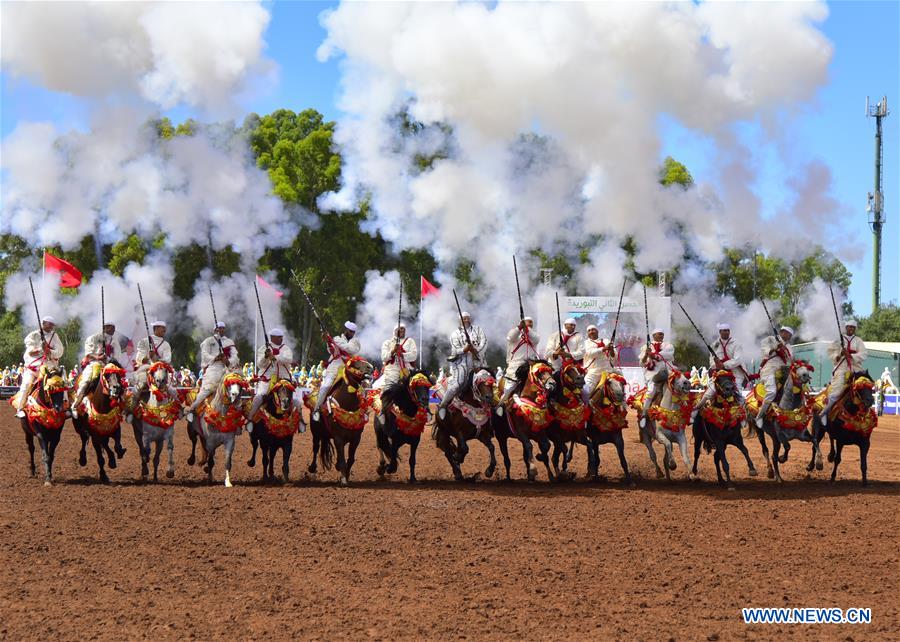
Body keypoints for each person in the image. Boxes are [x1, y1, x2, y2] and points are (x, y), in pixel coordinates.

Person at [184, 322, 240, 419]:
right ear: (215, 330)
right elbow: (204, 354)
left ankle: (237, 416)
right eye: (219, 328)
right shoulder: (209, 341)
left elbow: (235, 356)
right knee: (208, 389)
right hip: (213, 368)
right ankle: (192, 408)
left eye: (223, 328)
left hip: (227, 369)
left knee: (235, 388)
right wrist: (216, 358)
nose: (221, 330)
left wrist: (228, 361)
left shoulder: (229, 342)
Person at [437, 312, 487, 420]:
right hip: (461, 364)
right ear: (460, 321)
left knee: (488, 383)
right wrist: (465, 349)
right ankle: (443, 405)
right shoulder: (454, 334)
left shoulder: (478, 330)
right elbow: (455, 349)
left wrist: (475, 350)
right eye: (464, 319)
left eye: (468, 318)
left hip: (479, 363)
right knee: (456, 385)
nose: (466, 320)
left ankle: (495, 408)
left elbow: (484, 342)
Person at [72, 321, 125, 417]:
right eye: (110, 327)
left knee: (121, 381)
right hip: (95, 363)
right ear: (105, 327)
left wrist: (108, 359)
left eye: (114, 327)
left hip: (109, 365)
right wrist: (98, 357)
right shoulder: (93, 338)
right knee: (86, 379)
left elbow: (117, 356)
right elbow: (88, 353)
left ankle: (124, 405)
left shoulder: (115, 341)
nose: (113, 329)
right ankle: (77, 402)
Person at [15, 316, 64, 418]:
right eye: (49, 324)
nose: (51, 327)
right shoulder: (33, 335)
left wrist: (50, 351)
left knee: (61, 382)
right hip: (34, 366)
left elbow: (60, 351)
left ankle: (64, 406)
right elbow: (31, 353)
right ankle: (20, 408)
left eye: (52, 325)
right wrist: (41, 349)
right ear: (43, 323)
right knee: (27, 384)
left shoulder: (55, 336)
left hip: (50, 366)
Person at [821, 319, 868, 425]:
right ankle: (824, 412)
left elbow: (864, 354)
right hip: (841, 368)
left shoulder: (859, 340)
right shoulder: (838, 340)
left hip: (856, 369)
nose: (851, 329)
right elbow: (830, 353)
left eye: (853, 327)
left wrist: (851, 355)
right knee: (837, 392)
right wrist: (840, 353)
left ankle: (865, 414)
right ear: (845, 328)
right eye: (849, 327)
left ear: (855, 329)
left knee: (865, 388)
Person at [312, 321, 361, 421]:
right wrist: (329, 342)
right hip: (335, 368)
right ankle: (316, 409)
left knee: (361, 389)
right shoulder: (336, 339)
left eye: (353, 332)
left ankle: (361, 411)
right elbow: (332, 351)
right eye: (350, 331)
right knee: (326, 386)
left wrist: (333, 340)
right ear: (346, 330)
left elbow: (350, 349)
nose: (351, 334)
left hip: (350, 369)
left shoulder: (355, 342)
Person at [698, 323, 748, 412]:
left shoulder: (736, 344)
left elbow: (738, 360)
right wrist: (717, 365)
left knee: (738, 394)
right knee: (710, 392)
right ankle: (696, 409)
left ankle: (743, 416)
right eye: (724, 330)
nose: (726, 332)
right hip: (720, 374)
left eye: (728, 330)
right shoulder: (714, 345)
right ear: (720, 332)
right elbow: (711, 362)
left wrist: (724, 365)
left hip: (735, 373)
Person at [249, 328, 295, 420]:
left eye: (281, 337)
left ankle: (300, 420)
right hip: (267, 379)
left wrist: (275, 357)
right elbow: (260, 364)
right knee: (258, 397)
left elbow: (288, 359)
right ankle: (250, 419)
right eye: (279, 337)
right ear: (272, 337)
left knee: (296, 401)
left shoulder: (285, 348)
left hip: (284, 379)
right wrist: (265, 357)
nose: (281, 339)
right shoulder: (263, 348)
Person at [755, 326, 794, 427]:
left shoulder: (789, 347)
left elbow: (790, 361)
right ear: (781, 332)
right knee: (772, 392)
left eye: (790, 334)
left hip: (784, 371)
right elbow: (766, 352)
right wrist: (776, 347)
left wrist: (784, 350)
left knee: (798, 388)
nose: (788, 335)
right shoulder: (769, 340)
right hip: (769, 368)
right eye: (786, 332)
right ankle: (759, 416)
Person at [638, 328, 675, 428]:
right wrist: (646, 354)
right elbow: (641, 363)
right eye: (659, 334)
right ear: (653, 335)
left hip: (668, 371)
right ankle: (644, 414)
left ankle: (686, 411)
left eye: (662, 334)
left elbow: (667, 355)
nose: (661, 336)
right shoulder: (646, 347)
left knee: (681, 384)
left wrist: (653, 355)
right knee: (651, 390)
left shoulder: (668, 345)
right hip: (652, 373)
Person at [499, 317, 541, 405]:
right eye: (528, 322)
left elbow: (536, 339)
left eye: (531, 323)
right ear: (522, 323)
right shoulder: (515, 333)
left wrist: (527, 330)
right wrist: (519, 328)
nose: (530, 324)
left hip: (531, 365)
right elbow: (510, 337)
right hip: (516, 365)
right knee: (509, 387)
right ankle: (501, 405)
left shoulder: (534, 335)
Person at [132, 320, 172, 392]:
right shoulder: (144, 341)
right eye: (162, 328)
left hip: (161, 370)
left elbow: (168, 359)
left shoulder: (166, 344)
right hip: (146, 370)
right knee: (138, 389)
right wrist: (148, 357)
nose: (164, 330)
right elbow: (139, 358)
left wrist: (157, 360)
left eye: (164, 328)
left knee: (172, 390)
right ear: (155, 328)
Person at [582, 324, 617, 403]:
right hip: (593, 372)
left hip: (607, 371)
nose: (591, 332)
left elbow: (614, 356)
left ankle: (622, 409)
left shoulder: (606, 341)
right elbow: (590, 353)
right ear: (587, 333)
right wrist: (604, 348)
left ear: (597, 331)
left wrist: (611, 350)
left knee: (618, 391)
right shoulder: (585, 343)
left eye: (593, 329)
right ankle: (585, 409)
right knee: (585, 391)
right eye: (589, 330)